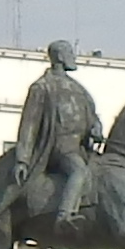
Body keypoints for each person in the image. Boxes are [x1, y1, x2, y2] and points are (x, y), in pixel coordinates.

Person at [14, 41, 101, 234]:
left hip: (81, 147)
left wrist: (96, 128)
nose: (74, 57)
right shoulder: (42, 87)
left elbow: (93, 115)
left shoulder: (78, 89)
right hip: (58, 147)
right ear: (60, 57)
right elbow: (29, 125)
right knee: (79, 171)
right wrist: (22, 159)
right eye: (70, 53)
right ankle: (65, 216)